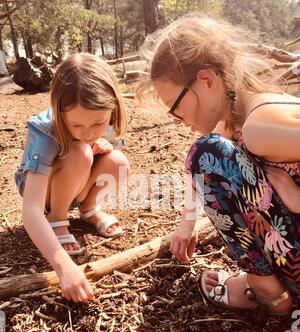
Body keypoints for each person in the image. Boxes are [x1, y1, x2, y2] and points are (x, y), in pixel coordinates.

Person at [136, 14, 300, 315]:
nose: (177, 120)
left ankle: (264, 289)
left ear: (206, 80)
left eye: (175, 107)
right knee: (209, 155)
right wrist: (187, 223)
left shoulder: (258, 128)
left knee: (204, 153)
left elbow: (202, 162)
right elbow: (202, 173)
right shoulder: (241, 117)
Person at [15, 53, 130, 303]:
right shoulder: (46, 132)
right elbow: (31, 209)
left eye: (98, 123)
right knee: (79, 152)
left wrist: (96, 144)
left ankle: (88, 208)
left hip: (75, 181)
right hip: (44, 191)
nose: (87, 132)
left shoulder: (101, 118)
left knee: (118, 162)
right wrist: (64, 267)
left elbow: (99, 146)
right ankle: (57, 218)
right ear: (59, 112)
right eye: (76, 126)